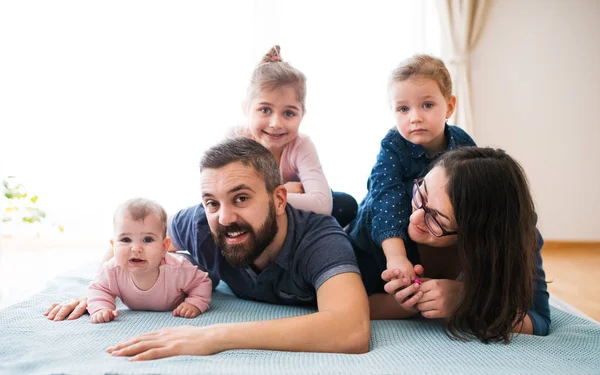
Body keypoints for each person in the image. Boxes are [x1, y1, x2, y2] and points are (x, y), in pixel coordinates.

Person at [44, 137, 370, 359]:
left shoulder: (319, 239)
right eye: (212, 202)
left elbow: (350, 329)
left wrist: (211, 337)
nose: (225, 217)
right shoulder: (201, 224)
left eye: (241, 198)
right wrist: (106, 282)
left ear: (279, 199)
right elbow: (139, 236)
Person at [356, 147, 551, 342]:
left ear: (475, 235)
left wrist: (466, 302)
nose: (415, 218)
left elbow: (538, 321)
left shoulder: (514, 238)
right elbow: (350, 305)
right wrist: (409, 303)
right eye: (421, 193)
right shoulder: (384, 222)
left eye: (437, 219)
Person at [347, 54, 476, 287]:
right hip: (379, 237)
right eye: (403, 109)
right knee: (369, 283)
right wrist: (396, 256)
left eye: (427, 105)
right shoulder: (393, 145)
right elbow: (387, 201)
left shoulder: (462, 142)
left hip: (428, 235)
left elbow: (478, 189)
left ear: (449, 107)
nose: (415, 117)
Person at [230, 45, 357, 227]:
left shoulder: (301, 145)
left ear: (302, 115)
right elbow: (229, 195)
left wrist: (272, 198)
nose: (276, 124)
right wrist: (279, 193)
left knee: (346, 204)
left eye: (289, 113)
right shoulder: (237, 138)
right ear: (246, 109)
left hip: (289, 208)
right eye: (265, 110)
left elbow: (322, 204)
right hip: (272, 204)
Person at [86, 198, 212, 323]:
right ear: (113, 246)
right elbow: (99, 289)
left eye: (147, 239)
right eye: (125, 240)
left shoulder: (178, 269)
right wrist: (100, 308)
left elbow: (201, 282)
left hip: (192, 262)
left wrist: (194, 303)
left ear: (164, 247)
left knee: (210, 271)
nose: (136, 249)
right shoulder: (111, 270)